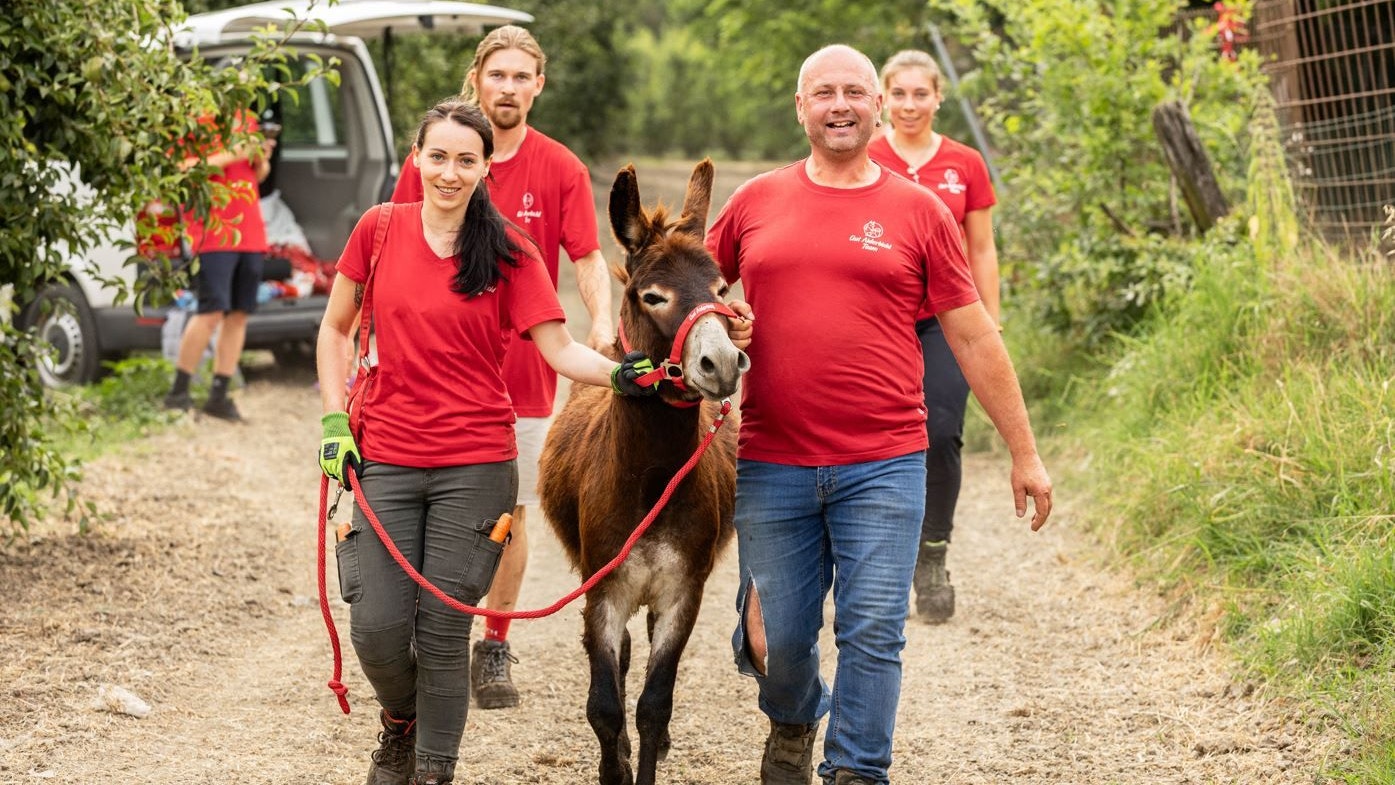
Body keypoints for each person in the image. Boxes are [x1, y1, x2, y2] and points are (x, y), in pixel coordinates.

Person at [705, 44, 1052, 785]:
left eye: (854, 92)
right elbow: (693, 290)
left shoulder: (919, 210)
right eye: (823, 92)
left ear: (878, 107)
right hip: (773, 459)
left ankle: (857, 768)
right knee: (779, 639)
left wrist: (1023, 450)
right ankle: (794, 716)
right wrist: (717, 319)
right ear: (799, 108)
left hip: (884, 461)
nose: (840, 104)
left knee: (872, 627)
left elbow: (970, 331)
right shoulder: (754, 202)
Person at [315, 100, 663, 785]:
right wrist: (332, 421)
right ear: (416, 159)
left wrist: (626, 373)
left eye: (465, 159)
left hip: (475, 466)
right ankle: (400, 725)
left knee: (443, 632)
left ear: (485, 167)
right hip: (382, 456)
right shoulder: (378, 231)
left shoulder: (508, 251)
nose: (449, 171)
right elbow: (333, 329)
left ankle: (432, 771)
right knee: (378, 630)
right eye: (437, 156)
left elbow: (560, 349)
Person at [389, 25, 612, 709]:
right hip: (431, 372)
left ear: (538, 84)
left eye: (522, 77)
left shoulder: (561, 168)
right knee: (427, 506)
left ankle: (494, 642)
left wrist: (602, 321)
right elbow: (392, 250)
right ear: (476, 79)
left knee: (507, 514)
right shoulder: (434, 157)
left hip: (523, 372)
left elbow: (585, 256)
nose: (508, 88)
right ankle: (431, 633)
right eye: (498, 75)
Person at [866, 49, 1001, 623]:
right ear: (882, 100)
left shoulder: (964, 163)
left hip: (948, 320)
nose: (910, 104)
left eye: (921, 94)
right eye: (899, 94)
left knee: (941, 432)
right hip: (879, 320)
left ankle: (933, 554)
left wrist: (991, 323)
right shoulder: (864, 155)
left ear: (938, 98)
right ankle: (873, 558)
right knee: (874, 436)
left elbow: (983, 247)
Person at [161, 110, 274, 421]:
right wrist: (231, 153)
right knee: (210, 312)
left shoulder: (245, 118)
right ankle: (178, 393)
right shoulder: (189, 120)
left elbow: (257, 175)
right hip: (213, 232)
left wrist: (260, 158)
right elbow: (180, 170)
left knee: (239, 314)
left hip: (250, 231)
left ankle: (219, 395)